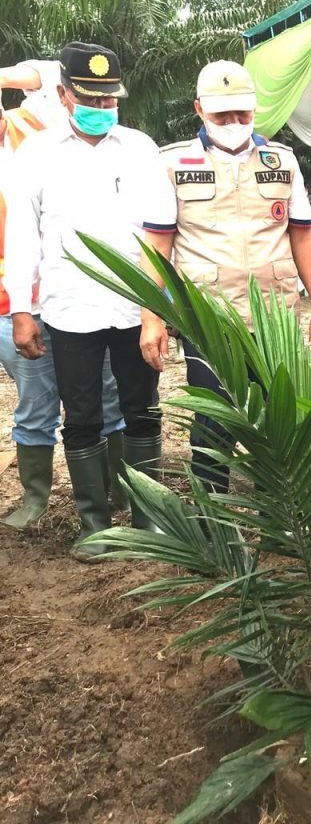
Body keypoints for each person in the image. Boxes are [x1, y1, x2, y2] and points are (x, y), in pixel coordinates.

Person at [5, 42, 174, 559]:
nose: (102, 109)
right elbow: (23, 238)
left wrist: (155, 312)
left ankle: (149, 520)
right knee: (80, 417)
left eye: (109, 100)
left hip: (133, 307)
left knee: (142, 410)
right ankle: (94, 525)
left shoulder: (140, 148)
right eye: (90, 99)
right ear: (63, 95)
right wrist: (21, 309)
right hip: (69, 309)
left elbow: (158, 234)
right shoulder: (36, 154)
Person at [139, 60, 311, 493]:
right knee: (213, 423)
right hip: (211, 319)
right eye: (221, 114)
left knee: (280, 418)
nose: (233, 123)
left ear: (254, 109)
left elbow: (302, 237)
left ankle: (281, 510)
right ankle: (213, 516)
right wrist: (151, 317)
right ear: (199, 109)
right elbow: (158, 245)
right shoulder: (173, 163)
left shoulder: (281, 160)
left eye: (242, 113)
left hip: (275, 317)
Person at [0, 63, 126, 530]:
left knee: (104, 394)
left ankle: (116, 490)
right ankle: (36, 496)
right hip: (14, 306)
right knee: (36, 402)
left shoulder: (34, 126)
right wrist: (18, 306)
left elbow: (52, 71)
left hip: (79, 296)